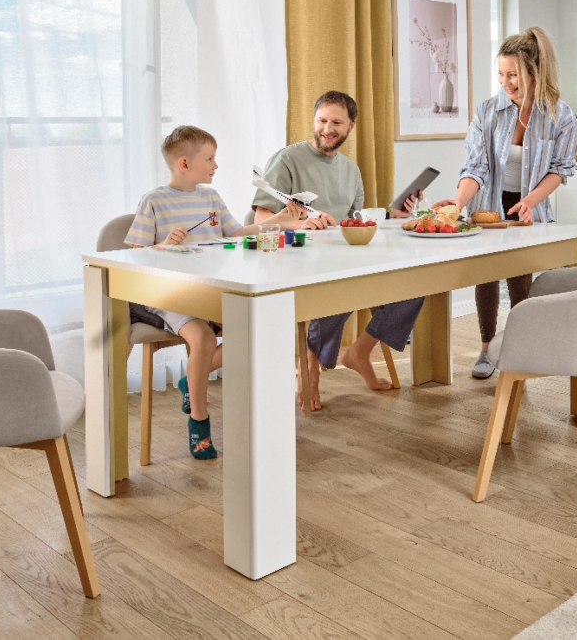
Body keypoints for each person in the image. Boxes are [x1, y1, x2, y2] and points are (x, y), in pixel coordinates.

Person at [126, 125, 303, 459]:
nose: (216, 165)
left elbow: (237, 233)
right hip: (172, 294)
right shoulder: (154, 201)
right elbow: (135, 254)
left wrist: (281, 219)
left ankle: (190, 381)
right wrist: (163, 246)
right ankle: (199, 421)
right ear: (184, 163)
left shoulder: (211, 198)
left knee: (256, 330)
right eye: (209, 159)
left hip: (211, 291)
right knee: (204, 339)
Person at [251, 90, 422, 411]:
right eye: (321, 121)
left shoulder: (351, 171)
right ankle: (309, 365)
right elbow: (261, 221)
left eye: (336, 123)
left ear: (350, 126)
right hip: (296, 257)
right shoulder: (287, 160)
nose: (327, 129)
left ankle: (359, 352)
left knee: (413, 284)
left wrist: (392, 215)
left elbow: (352, 223)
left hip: (341, 256)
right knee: (339, 285)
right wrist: (301, 224)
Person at [433, 27, 577, 379]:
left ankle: (519, 349)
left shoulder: (561, 117)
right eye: (500, 74)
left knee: (520, 279)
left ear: (535, 72)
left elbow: (560, 170)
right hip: (488, 205)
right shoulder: (488, 112)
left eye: (512, 75)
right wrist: (458, 202)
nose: (505, 83)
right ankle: (486, 349)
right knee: (486, 276)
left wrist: (530, 200)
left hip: (529, 207)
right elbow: (476, 166)